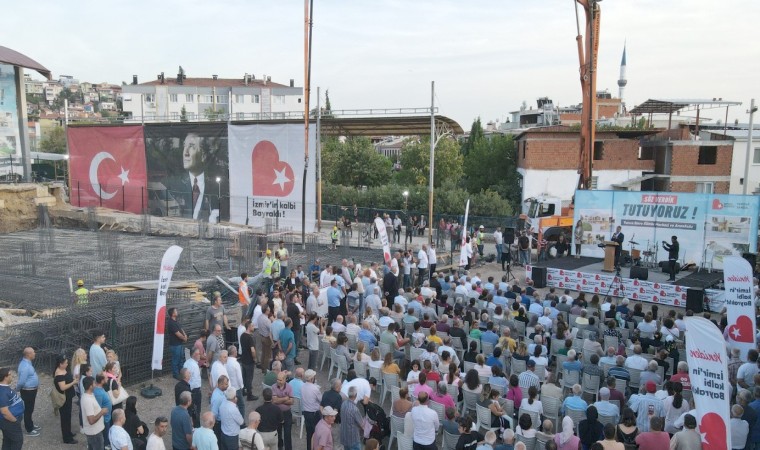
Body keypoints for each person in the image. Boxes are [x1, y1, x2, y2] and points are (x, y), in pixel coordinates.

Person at [53, 354, 78, 444]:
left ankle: (68, 432)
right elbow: (63, 387)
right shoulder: (59, 374)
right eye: (66, 363)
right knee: (65, 417)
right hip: (64, 398)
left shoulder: (63, 370)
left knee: (68, 416)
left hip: (68, 397)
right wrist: (73, 382)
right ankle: (67, 438)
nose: (67, 364)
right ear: (60, 364)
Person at [16, 347, 40, 437]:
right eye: (33, 352)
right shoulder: (25, 366)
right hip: (27, 391)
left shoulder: (27, 363)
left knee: (30, 409)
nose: (35, 354)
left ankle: (31, 425)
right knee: (28, 409)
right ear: (28, 354)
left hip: (31, 390)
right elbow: (21, 381)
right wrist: (17, 389)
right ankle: (29, 429)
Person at [0, 367, 25, 450]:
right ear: (5, 377)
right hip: (9, 422)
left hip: (8, 422)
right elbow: (4, 412)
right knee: (17, 441)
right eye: (10, 374)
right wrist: (15, 421)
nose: (12, 376)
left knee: (8, 440)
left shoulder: (4, 388)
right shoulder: (2, 392)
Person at [81, 376, 106, 450]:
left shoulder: (89, 394)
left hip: (94, 432)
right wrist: (102, 412)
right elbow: (91, 420)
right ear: (90, 386)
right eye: (94, 383)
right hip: (94, 433)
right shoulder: (87, 400)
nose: (95, 384)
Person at [272, 372, 294, 450]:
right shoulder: (274, 386)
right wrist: (285, 398)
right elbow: (274, 401)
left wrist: (279, 399)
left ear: (285, 379)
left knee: (287, 433)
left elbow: (291, 402)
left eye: (280, 380)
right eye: (277, 379)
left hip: (287, 413)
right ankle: (279, 447)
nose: (278, 381)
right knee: (278, 432)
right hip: (277, 413)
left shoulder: (289, 387)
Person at [166, 307, 188, 380]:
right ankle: (176, 374)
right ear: (172, 314)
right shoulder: (171, 323)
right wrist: (184, 338)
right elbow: (177, 333)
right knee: (176, 360)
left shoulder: (175, 321)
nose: (177, 312)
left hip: (179, 344)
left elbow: (181, 329)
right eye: (176, 311)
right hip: (175, 345)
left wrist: (185, 335)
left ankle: (181, 373)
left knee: (181, 359)